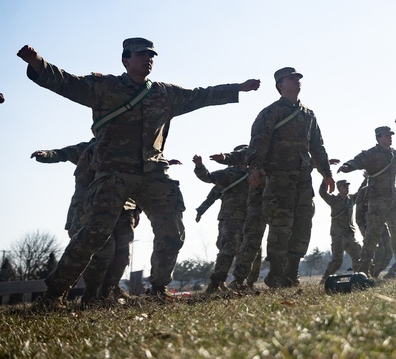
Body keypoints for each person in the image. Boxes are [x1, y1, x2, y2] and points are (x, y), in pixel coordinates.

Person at [18, 39, 260, 306]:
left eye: (151, 56)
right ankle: (54, 294)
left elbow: (200, 95)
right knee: (93, 234)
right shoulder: (105, 87)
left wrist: (237, 88)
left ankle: (158, 289)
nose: (148, 59)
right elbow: (68, 83)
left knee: (171, 231)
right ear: (125, 60)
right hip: (113, 172)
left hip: (153, 173)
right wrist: (37, 63)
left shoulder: (164, 93)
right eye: (142, 55)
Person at [246, 67, 333, 289]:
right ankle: (275, 274)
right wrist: (255, 167)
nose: (296, 81)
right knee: (280, 227)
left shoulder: (308, 114)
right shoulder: (271, 112)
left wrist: (327, 174)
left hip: (303, 179)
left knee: (303, 225)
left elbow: (318, 146)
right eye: (291, 78)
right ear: (280, 85)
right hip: (278, 179)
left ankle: (291, 274)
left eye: (298, 78)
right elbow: (258, 141)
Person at [32, 139, 140, 305]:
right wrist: (45, 154)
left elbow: (140, 179)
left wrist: (137, 209)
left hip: (124, 210)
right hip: (89, 209)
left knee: (122, 253)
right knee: (102, 251)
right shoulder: (90, 148)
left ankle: (109, 291)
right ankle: (88, 294)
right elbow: (62, 153)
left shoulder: (131, 148)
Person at [339, 126, 396, 278]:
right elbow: (357, 161)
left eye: (391, 135)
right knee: (372, 237)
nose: (390, 137)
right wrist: (347, 166)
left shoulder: (395, 155)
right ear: (378, 137)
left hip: (393, 201)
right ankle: (362, 272)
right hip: (377, 201)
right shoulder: (371, 154)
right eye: (386, 135)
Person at [193, 146, 250, 293]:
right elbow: (211, 185)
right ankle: (216, 284)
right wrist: (199, 166)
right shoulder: (229, 174)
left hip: (249, 218)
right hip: (231, 219)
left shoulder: (256, 173)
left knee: (245, 251)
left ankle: (239, 282)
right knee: (227, 249)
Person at [318, 179, 362, 280]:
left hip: (349, 234)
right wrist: (325, 178)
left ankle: (358, 278)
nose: (347, 188)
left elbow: (360, 193)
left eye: (347, 186)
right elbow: (322, 193)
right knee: (337, 261)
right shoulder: (334, 200)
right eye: (344, 186)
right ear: (338, 188)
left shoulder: (351, 199)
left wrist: (365, 179)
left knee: (358, 256)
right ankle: (325, 279)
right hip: (338, 235)